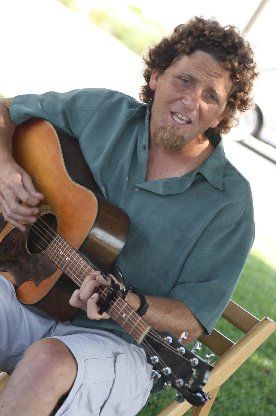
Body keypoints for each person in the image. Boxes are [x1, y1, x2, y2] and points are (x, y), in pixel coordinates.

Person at [0, 16, 257, 416]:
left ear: (223, 114)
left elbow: (193, 316)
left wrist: (130, 302)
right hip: (33, 297)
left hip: (124, 345)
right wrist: (5, 169)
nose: (192, 103)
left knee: (46, 364)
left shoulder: (230, 203)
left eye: (212, 96)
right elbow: (6, 111)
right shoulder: (102, 111)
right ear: (156, 75)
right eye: (184, 81)